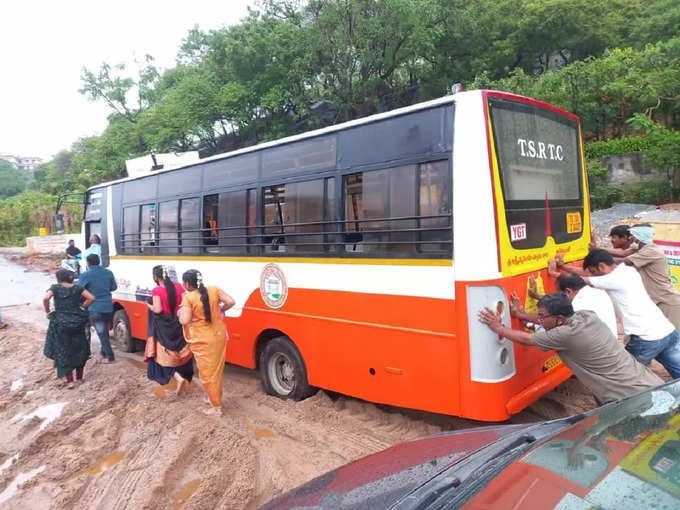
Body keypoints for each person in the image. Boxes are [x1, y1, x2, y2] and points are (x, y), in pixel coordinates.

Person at [479, 293, 663, 405]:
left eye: (542, 317)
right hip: (646, 381)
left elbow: (528, 339)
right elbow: (548, 320)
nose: (539, 320)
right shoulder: (586, 315)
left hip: (630, 395)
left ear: (559, 318)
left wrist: (498, 328)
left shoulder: (566, 335)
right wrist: (521, 314)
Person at [579, 249, 680, 379]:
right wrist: (565, 267)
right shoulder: (628, 271)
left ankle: (631, 399)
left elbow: (582, 280)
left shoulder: (613, 279)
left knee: (624, 377)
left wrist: (556, 273)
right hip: (667, 331)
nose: (593, 276)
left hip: (646, 339)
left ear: (601, 266)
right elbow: (586, 277)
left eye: (593, 272)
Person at [178, 269, 235, 415]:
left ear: (187, 284)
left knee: (207, 374)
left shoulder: (189, 298)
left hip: (203, 339)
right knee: (216, 371)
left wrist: (180, 313)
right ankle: (212, 398)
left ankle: (216, 407)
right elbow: (231, 301)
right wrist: (220, 310)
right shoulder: (214, 289)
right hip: (219, 335)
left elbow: (184, 320)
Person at [510, 273, 618, 337]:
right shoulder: (595, 291)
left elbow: (555, 314)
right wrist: (537, 295)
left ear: (568, 291)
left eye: (559, 293)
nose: (559, 297)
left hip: (596, 354)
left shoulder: (578, 305)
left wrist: (520, 315)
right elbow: (560, 303)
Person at [145, 265, 193, 394]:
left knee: (162, 357)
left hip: (163, 327)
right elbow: (184, 304)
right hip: (178, 324)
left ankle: (178, 378)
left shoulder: (157, 290)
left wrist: (149, 306)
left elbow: (158, 309)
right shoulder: (179, 287)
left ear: (156, 276)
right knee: (179, 353)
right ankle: (182, 377)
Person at [43, 269, 95, 389]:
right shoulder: (78, 288)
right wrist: (82, 308)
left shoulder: (55, 288)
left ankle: (70, 381)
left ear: (58, 278)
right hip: (77, 322)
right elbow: (91, 298)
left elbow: (46, 298)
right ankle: (80, 378)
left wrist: (47, 311)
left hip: (61, 323)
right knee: (80, 349)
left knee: (64, 351)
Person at [623, 224, 680, 331]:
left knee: (675, 338)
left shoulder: (651, 251)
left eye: (632, 235)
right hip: (659, 300)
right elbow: (622, 253)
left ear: (638, 237)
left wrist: (599, 257)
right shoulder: (645, 249)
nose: (630, 238)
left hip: (667, 301)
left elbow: (625, 261)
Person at [77, 253, 118, 363]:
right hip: (108, 307)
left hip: (95, 308)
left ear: (88, 263)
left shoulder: (85, 275)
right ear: (99, 261)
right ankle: (103, 353)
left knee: (102, 333)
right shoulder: (108, 272)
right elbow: (114, 287)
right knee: (104, 332)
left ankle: (111, 357)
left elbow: (78, 290)